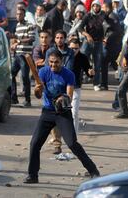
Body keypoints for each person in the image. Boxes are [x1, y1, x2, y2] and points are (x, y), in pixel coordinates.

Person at [23, 50, 100, 184]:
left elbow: (69, 95)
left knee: (72, 144)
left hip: (63, 112)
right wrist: (37, 89)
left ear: (62, 62)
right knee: (34, 144)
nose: (53, 65)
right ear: (48, 62)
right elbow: (38, 95)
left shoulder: (68, 74)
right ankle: (32, 175)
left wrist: (63, 99)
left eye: (56, 62)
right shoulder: (43, 72)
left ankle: (93, 171)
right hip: (47, 112)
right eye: (51, 62)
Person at [10, 7, 36, 107]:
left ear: (24, 15)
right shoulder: (17, 26)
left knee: (25, 77)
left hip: (25, 55)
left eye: (20, 14)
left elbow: (32, 38)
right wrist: (13, 44)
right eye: (17, 14)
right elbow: (16, 39)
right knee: (11, 75)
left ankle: (27, 100)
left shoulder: (29, 25)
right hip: (17, 55)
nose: (18, 16)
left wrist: (19, 41)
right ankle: (13, 97)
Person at [68, 39, 94, 133]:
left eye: (76, 48)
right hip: (63, 88)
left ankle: (74, 134)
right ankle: (57, 136)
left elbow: (88, 71)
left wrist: (91, 73)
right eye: (71, 48)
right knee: (60, 113)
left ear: (79, 48)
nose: (74, 50)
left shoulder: (82, 57)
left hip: (75, 87)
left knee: (74, 112)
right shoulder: (64, 56)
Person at [79, 0, 105, 91]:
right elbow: (80, 28)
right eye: (94, 5)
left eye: (97, 6)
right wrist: (87, 35)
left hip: (99, 43)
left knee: (97, 64)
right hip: (88, 42)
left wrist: (105, 37)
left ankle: (96, 83)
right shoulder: (88, 16)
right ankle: (79, 81)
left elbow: (107, 25)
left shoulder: (103, 15)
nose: (95, 7)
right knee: (82, 61)